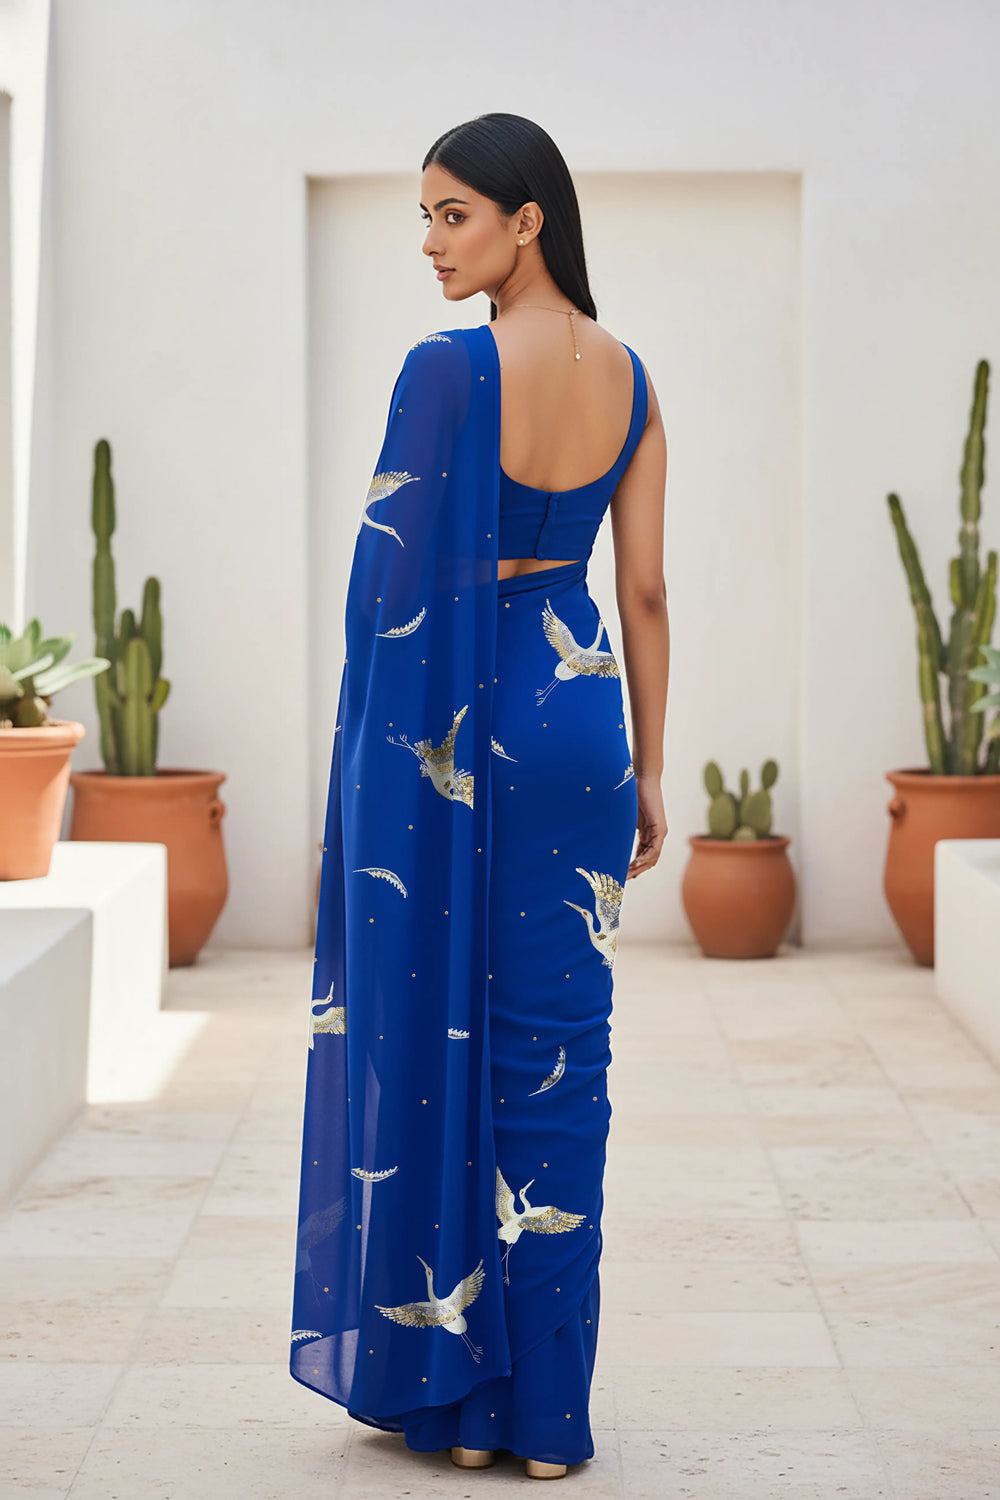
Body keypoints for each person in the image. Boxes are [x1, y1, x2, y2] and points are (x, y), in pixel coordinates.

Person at [290, 112, 669, 1482]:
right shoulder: (633, 378)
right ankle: (550, 1421)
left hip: (474, 721)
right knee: (565, 1060)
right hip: (584, 726)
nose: (434, 242)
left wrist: (363, 773)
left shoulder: (447, 374)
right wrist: (654, 767)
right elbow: (642, 594)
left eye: (455, 214)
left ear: (530, 220)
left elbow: (388, 604)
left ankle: (462, 1403)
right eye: (427, 217)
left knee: (452, 1042)